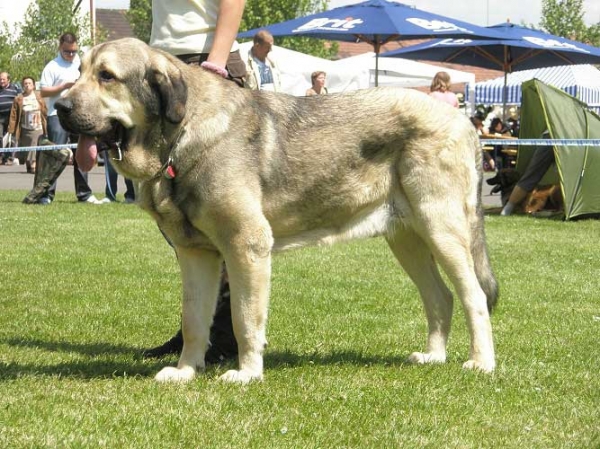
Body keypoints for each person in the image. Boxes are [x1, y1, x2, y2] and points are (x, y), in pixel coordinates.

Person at [142, 0, 247, 361]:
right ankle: (198, 328)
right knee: (175, 210)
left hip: (205, 62)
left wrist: (215, 65)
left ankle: (229, 332)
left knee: (219, 212)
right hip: (163, 62)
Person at [39, 32, 103, 205]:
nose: (71, 54)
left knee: (82, 153)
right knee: (55, 155)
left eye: (74, 51)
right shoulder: (52, 66)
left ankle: (84, 194)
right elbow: (43, 92)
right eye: (68, 51)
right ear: (60, 47)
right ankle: (46, 194)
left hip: (79, 114)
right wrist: (63, 86)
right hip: (56, 115)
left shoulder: (81, 64)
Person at [501, 130, 555, 216]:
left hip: (559, 137)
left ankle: (509, 208)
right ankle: (508, 208)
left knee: (531, 177)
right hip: (551, 136)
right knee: (530, 176)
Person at [7, 76, 47, 174]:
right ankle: (29, 165)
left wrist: (46, 123)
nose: (27, 85)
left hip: (37, 127)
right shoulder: (19, 98)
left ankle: (33, 164)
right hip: (24, 128)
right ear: (23, 85)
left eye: (29, 83)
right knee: (26, 146)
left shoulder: (39, 96)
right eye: (25, 83)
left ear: (33, 85)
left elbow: (45, 111)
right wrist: (11, 130)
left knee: (35, 145)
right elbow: (14, 115)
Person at [0, 72, 22, 165]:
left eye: (3, 79)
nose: (1, 81)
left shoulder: (15, 88)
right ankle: (1, 157)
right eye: (0, 79)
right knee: (0, 137)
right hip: (0, 116)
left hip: (12, 116)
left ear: (8, 80)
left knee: (12, 138)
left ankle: (9, 157)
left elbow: (21, 99)